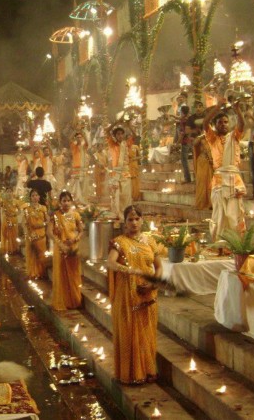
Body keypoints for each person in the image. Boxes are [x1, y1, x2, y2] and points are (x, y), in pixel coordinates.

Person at [106, 205, 162, 385]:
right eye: (130, 219)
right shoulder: (119, 242)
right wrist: (129, 270)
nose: (134, 223)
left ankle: (147, 370)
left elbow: (159, 267)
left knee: (147, 331)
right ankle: (131, 373)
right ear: (125, 222)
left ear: (142, 220)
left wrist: (153, 283)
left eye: (137, 219)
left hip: (148, 293)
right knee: (129, 331)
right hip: (128, 294)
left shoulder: (150, 241)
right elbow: (111, 263)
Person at [204, 98, 246, 241]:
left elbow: (242, 125)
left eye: (226, 122)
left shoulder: (234, 137)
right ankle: (220, 243)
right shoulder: (212, 138)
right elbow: (204, 123)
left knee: (234, 214)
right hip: (219, 181)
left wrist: (237, 110)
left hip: (234, 179)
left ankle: (236, 243)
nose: (223, 124)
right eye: (220, 122)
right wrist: (217, 107)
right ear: (215, 125)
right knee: (220, 213)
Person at [47, 191, 84, 310]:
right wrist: (60, 244)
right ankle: (64, 301)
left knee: (74, 275)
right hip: (60, 248)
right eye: (64, 200)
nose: (66, 203)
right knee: (61, 275)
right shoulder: (55, 215)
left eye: (68, 200)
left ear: (71, 201)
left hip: (73, 248)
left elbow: (81, 230)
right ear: (60, 202)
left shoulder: (76, 215)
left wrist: (76, 239)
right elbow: (49, 232)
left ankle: (74, 300)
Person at [106, 122, 134, 219]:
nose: (120, 136)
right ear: (115, 136)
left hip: (125, 173)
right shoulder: (112, 144)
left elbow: (134, 134)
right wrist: (116, 123)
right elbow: (107, 131)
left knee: (125, 195)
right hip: (115, 174)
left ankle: (125, 213)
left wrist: (128, 125)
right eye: (118, 134)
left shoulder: (126, 144)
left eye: (122, 134)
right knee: (115, 196)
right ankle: (117, 213)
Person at [24, 189, 49, 280]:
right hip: (32, 234)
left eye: (36, 195)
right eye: (33, 195)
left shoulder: (43, 208)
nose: (35, 197)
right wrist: (30, 234)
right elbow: (26, 224)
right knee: (32, 254)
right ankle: (33, 273)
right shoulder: (27, 210)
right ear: (30, 198)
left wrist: (42, 225)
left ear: (39, 197)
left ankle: (41, 273)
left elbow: (47, 220)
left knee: (41, 254)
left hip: (41, 234)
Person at [193, 132, 213, 210]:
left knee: (211, 183)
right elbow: (195, 143)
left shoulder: (214, 136)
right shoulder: (201, 137)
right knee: (201, 182)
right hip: (202, 162)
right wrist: (202, 136)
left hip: (212, 163)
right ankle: (202, 203)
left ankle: (211, 203)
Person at [69, 132, 88, 203]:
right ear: (75, 139)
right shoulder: (73, 146)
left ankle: (82, 200)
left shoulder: (84, 146)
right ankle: (76, 200)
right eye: (78, 137)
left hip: (83, 169)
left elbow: (87, 142)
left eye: (80, 137)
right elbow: (70, 139)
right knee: (75, 185)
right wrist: (75, 131)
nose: (79, 139)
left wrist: (83, 134)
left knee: (83, 184)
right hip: (76, 169)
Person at [0, 187, 20, 254]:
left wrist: (15, 214)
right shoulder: (3, 201)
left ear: (12, 193)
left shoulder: (16, 201)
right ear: (6, 193)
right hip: (6, 219)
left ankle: (14, 249)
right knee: (7, 234)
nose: (9, 193)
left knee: (14, 234)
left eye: (10, 192)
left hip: (14, 219)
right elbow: (2, 210)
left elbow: (19, 210)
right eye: (7, 191)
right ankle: (8, 249)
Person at [176, 105, 192, 184]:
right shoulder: (190, 118)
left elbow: (183, 133)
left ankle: (187, 178)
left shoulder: (183, 120)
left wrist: (177, 143)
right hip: (191, 141)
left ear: (182, 112)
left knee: (184, 161)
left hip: (185, 142)